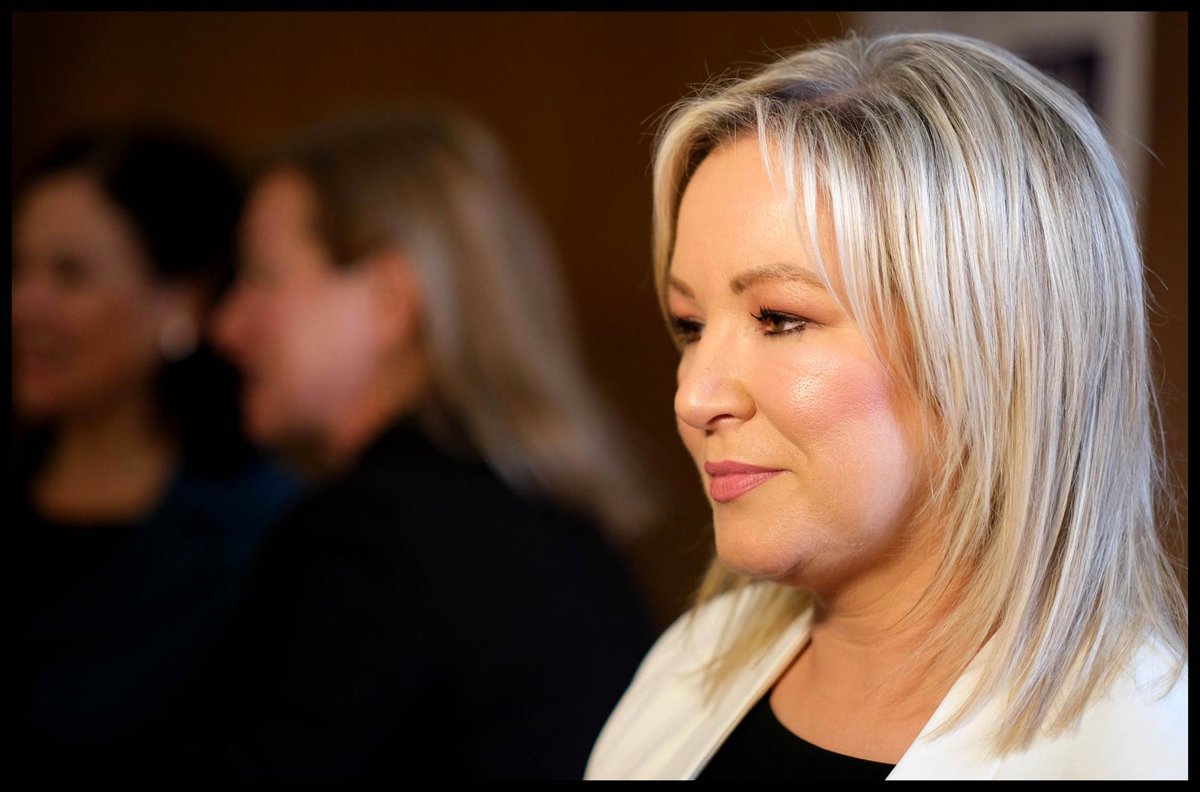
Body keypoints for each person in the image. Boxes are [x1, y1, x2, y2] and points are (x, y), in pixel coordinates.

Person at [586, 32, 1187, 780]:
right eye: (690, 326)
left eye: (780, 319)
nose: (694, 397)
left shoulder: (1140, 754)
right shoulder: (687, 666)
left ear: (996, 349)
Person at [193, 109, 656, 779]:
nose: (227, 325)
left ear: (390, 296)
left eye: (262, 276)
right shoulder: (570, 531)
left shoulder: (366, 543)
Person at [12, 129, 302, 775]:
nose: (24, 306)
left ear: (183, 300)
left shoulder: (263, 534)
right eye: (18, 268)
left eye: (70, 274)